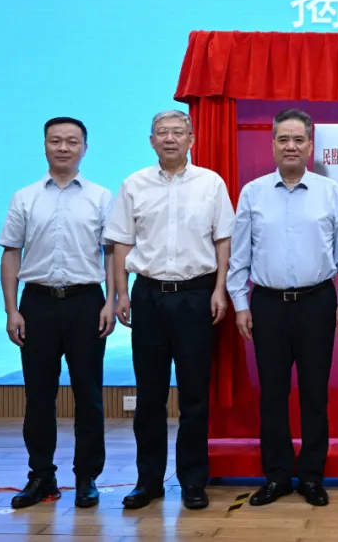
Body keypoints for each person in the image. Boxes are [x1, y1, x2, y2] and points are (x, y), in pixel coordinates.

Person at [227, 108, 338, 508]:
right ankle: (278, 476)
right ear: (272, 145)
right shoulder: (252, 193)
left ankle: (312, 476)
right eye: (283, 139)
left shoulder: (329, 191)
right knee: (272, 394)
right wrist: (240, 304)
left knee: (315, 394)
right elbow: (239, 256)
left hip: (317, 302)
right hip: (267, 305)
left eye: (298, 139)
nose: (291, 146)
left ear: (310, 145)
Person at [103, 109, 235, 511]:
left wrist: (220, 289)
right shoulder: (134, 184)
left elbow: (223, 240)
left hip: (196, 296)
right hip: (149, 296)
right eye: (162, 132)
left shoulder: (210, 183)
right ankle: (148, 481)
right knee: (150, 395)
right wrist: (121, 294)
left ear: (191, 139)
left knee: (194, 394)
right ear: (151, 141)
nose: (170, 138)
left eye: (178, 132)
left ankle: (193, 481)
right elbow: (121, 243)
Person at [0, 116, 115, 510]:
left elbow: (112, 254)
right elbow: (11, 253)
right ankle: (41, 476)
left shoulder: (101, 197)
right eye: (55, 140)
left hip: (86, 303)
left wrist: (111, 301)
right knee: (38, 396)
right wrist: (11, 309)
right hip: (37, 304)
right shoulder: (25, 197)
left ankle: (86, 477)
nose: (63, 147)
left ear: (85, 148)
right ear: (45, 145)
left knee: (89, 395)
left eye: (71, 141)